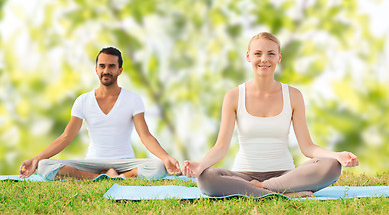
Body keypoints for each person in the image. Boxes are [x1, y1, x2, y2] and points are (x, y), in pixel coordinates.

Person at [182, 32, 359, 197]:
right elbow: (220, 147)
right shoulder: (234, 96)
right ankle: (283, 193)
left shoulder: (293, 95)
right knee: (206, 179)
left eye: (271, 54)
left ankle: (261, 191)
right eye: (258, 53)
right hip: (243, 176)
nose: (264, 59)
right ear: (248, 56)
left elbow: (308, 147)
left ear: (279, 57)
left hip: (285, 175)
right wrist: (201, 165)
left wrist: (336, 155)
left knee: (331, 166)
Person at [19, 47, 181, 180]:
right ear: (96, 70)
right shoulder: (83, 100)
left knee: (158, 167)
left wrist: (166, 158)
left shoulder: (133, 99)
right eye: (102, 66)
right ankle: (103, 176)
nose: (106, 70)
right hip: (92, 161)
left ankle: (115, 176)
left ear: (120, 70)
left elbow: (145, 136)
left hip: (125, 161)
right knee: (44, 166)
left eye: (111, 66)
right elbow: (66, 137)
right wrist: (36, 159)